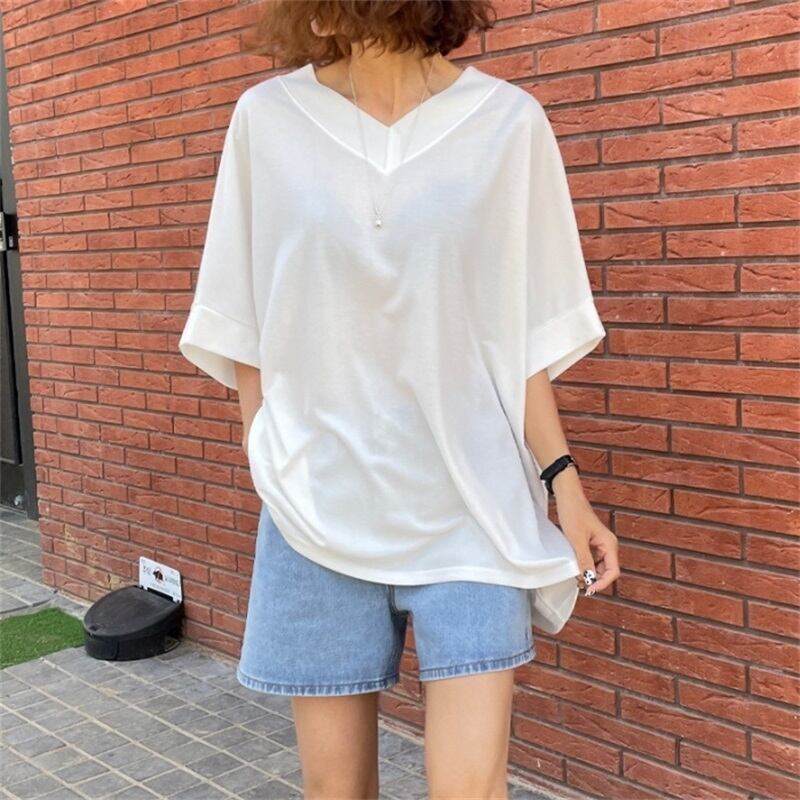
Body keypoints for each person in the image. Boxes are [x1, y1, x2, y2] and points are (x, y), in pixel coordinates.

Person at [178, 2, 621, 797]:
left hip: (473, 508)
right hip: (316, 504)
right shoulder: (267, 120)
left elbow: (517, 336)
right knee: (336, 790)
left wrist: (567, 486)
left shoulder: (507, 124)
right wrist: (265, 450)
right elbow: (241, 316)